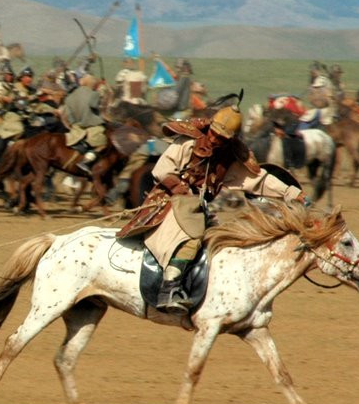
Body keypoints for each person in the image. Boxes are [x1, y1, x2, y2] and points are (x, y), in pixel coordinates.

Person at [117, 106, 306, 315]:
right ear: (209, 128)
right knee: (192, 238)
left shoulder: (228, 159)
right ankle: (169, 289)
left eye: (222, 138)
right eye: (214, 134)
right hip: (169, 201)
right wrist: (181, 189)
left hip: (196, 208)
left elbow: (258, 180)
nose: (215, 140)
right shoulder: (188, 141)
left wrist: (291, 192)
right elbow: (162, 169)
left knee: (218, 240)